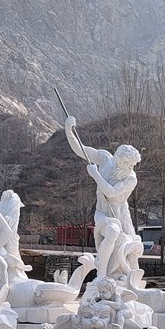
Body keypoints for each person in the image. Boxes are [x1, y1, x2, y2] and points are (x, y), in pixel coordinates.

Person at [64, 114, 142, 281]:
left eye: (132, 165)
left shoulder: (131, 178)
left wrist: (95, 175)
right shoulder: (106, 160)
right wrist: (69, 131)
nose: (130, 167)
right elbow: (81, 150)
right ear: (119, 159)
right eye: (127, 164)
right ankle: (101, 273)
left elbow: (111, 192)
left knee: (133, 247)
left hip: (122, 215)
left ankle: (130, 279)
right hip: (103, 214)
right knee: (113, 231)